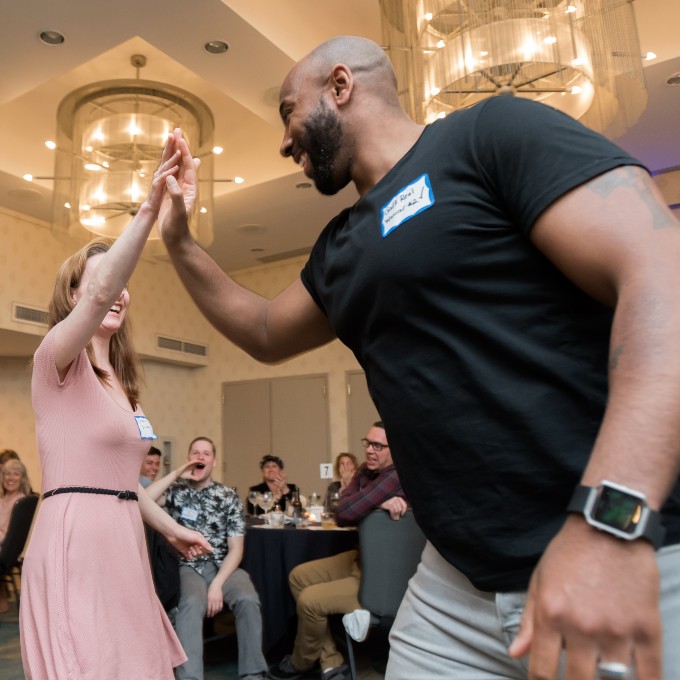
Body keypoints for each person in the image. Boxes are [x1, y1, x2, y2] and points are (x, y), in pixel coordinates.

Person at [157, 34, 680, 679]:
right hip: (454, 588)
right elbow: (264, 329)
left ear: (340, 86)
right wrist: (179, 240)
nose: (285, 141)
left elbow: (663, 279)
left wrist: (610, 525)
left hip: (625, 552)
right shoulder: (339, 245)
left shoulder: (489, 134)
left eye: (289, 111)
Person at [20, 135, 212, 680]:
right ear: (74, 294)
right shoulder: (55, 359)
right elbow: (103, 292)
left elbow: (122, 483)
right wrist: (151, 207)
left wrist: (169, 529)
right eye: (105, 280)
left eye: (124, 283)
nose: (118, 291)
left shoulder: (123, 387)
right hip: (74, 539)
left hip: (123, 542)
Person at [269, 422, 407, 680]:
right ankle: (330, 660)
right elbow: (342, 512)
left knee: (310, 601)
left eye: (378, 445)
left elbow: (346, 509)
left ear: (394, 448)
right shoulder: (366, 471)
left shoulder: (397, 474)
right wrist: (378, 500)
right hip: (360, 558)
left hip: (380, 577)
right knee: (298, 576)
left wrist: (367, 500)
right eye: (367, 443)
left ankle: (300, 662)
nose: (369, 451)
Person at [147, 436, 268, 680]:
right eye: (195, 453)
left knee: (248, 599)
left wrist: (217, 585)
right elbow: (144, 500)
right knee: (190, 605)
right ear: (190, 459)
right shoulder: (177, 493)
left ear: (214, 461)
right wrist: (178, 472)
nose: (201, 457)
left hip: (225, 567)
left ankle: (253, 674)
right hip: (188, 567)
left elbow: (236, 549)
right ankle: (190, 677)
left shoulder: (227, 496)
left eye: (206, 453)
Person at [0, 458, 32, 612]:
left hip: (6, 551)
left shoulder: (21, 502)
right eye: (6, 474)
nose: (10, 478)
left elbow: (6, 535)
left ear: (22, 478)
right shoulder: (1, 500)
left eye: (15, 474)